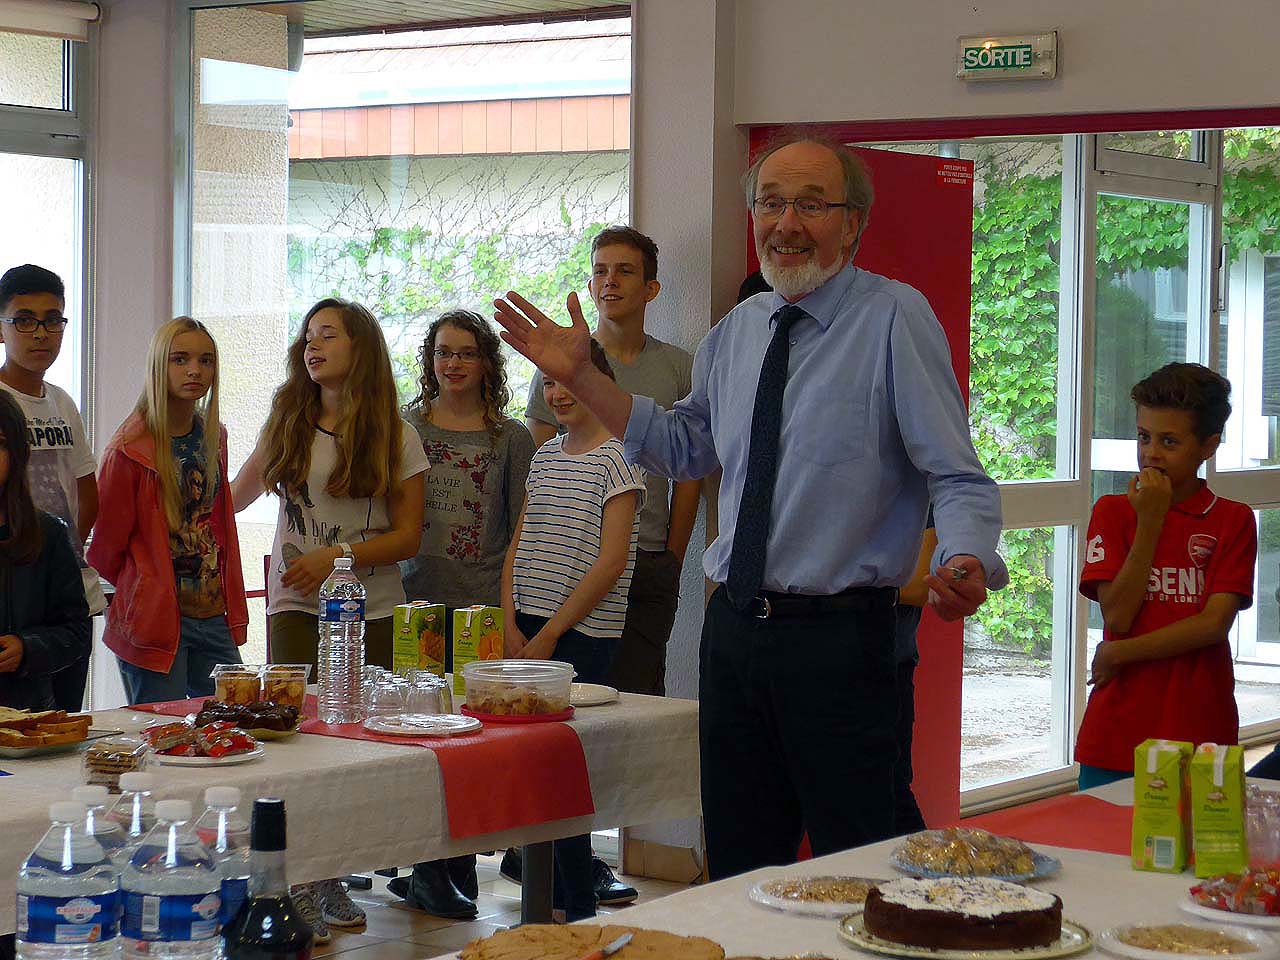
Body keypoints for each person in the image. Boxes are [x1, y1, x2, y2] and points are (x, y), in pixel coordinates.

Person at [495, 136, 1005, 880]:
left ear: (852, 224)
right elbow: (683, 447)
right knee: (739, 866)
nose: (786, 223)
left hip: (842, 642)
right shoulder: (737, 333)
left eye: (811, 205)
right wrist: (585, 377)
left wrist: (964, 556)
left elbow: (955, 474)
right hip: (735, 634)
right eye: (771, 203)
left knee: (858, 864)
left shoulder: (895, 318)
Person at [232, 296, 428, 942]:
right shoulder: (288, 418)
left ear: (360, 347)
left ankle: (331, 874)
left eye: (328, 335)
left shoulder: (396, 433)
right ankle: (296, 882)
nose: (313, 346)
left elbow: (408, 537)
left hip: (373, 607)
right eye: (308, 337)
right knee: (298, 736)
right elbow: (235, 496)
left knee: (354, 745)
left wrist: (336, 557)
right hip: (296, 600)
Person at [520, 225, 696, 906]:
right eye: (600, 270)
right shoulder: (562, 361)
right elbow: (546, 467)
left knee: (623, 712)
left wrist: (672, 554)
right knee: (559, 726)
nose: (609, 281)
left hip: (642, 563)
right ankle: (559, 862)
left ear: (651, 288)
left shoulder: (677, 367)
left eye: (624, 270)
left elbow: (691, 471)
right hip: (563, 577)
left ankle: (592, 854)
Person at [389, 309, 534, 919]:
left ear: (486, 363)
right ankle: (427, 868)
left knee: (474, 742)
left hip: (481, 613)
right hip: (414, 608)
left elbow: (522, 530)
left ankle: (461, 864)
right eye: (443, 352)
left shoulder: (511, 438)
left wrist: (511, 610)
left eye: (466, 353)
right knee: (421, 741)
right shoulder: (405, 427)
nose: (453, 364)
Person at [503, 339, 644, 922]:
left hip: (581, 633)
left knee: (566, 771)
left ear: (595, 382)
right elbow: (519, 542)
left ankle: (577, 904)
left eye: (566, 381)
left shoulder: (620, 458)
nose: (557, 393)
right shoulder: (544, 457)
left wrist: (552, 634)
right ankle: (546, 901)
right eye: (548, 383)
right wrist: (509, 618)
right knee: (534, 769)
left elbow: (610, 564)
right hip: (529, 626)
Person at [1075, 362, 1257, 789]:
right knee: (1101, 832)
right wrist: (1151, 522)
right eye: (1144, 437)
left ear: (1208, 445)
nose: (1151, 454)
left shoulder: (1233, 520)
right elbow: (1118, 616)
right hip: (1116, 733)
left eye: (1169, 441)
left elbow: (1213, 624)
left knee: (1199, 833)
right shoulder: (1113, 512)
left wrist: (1120, 654)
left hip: (1200, 731)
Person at [88, 318, 248, 705]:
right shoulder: (129, 448)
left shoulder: (214, 437)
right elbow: (106, 549)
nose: (195, 370)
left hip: (213, 611)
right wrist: (148, 582)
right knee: (162, 730)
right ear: (160, 364)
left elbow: (217, 524)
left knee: (238, 717)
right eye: (180, 359)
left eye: (205, 360)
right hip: (155, 619)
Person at [0, 264, 105, 711]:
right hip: (15, 595)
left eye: (52, 320)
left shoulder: (62, 401)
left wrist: (60, 556)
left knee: (64, 726)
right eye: (24, 320)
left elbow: (87, 490)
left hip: (68, 593)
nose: (40, 333)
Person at [0, 389, 91, 711]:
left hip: (26, 714)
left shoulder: (49, 534)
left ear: (17, 454)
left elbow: (76, 631)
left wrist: (27, 649)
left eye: (0, 443)